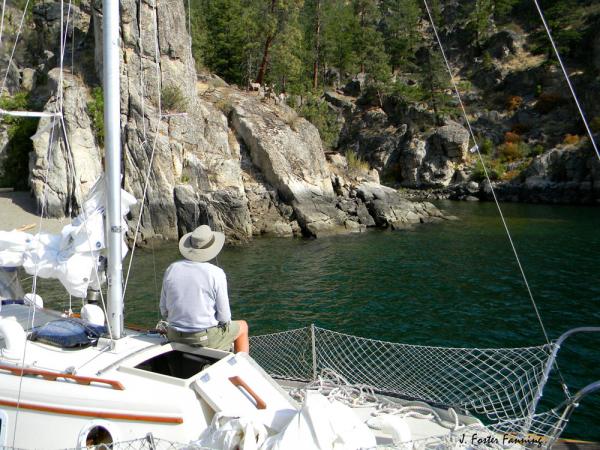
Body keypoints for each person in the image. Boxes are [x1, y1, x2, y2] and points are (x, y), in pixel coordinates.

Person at [160, 225, 249, 353]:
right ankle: (240, 370)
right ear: (211, 248)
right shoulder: (216, 273)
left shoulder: (172, 269)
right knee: (243, 326)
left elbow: (164, 310)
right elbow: (224, 317)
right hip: (203, 338)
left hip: (174, 335)